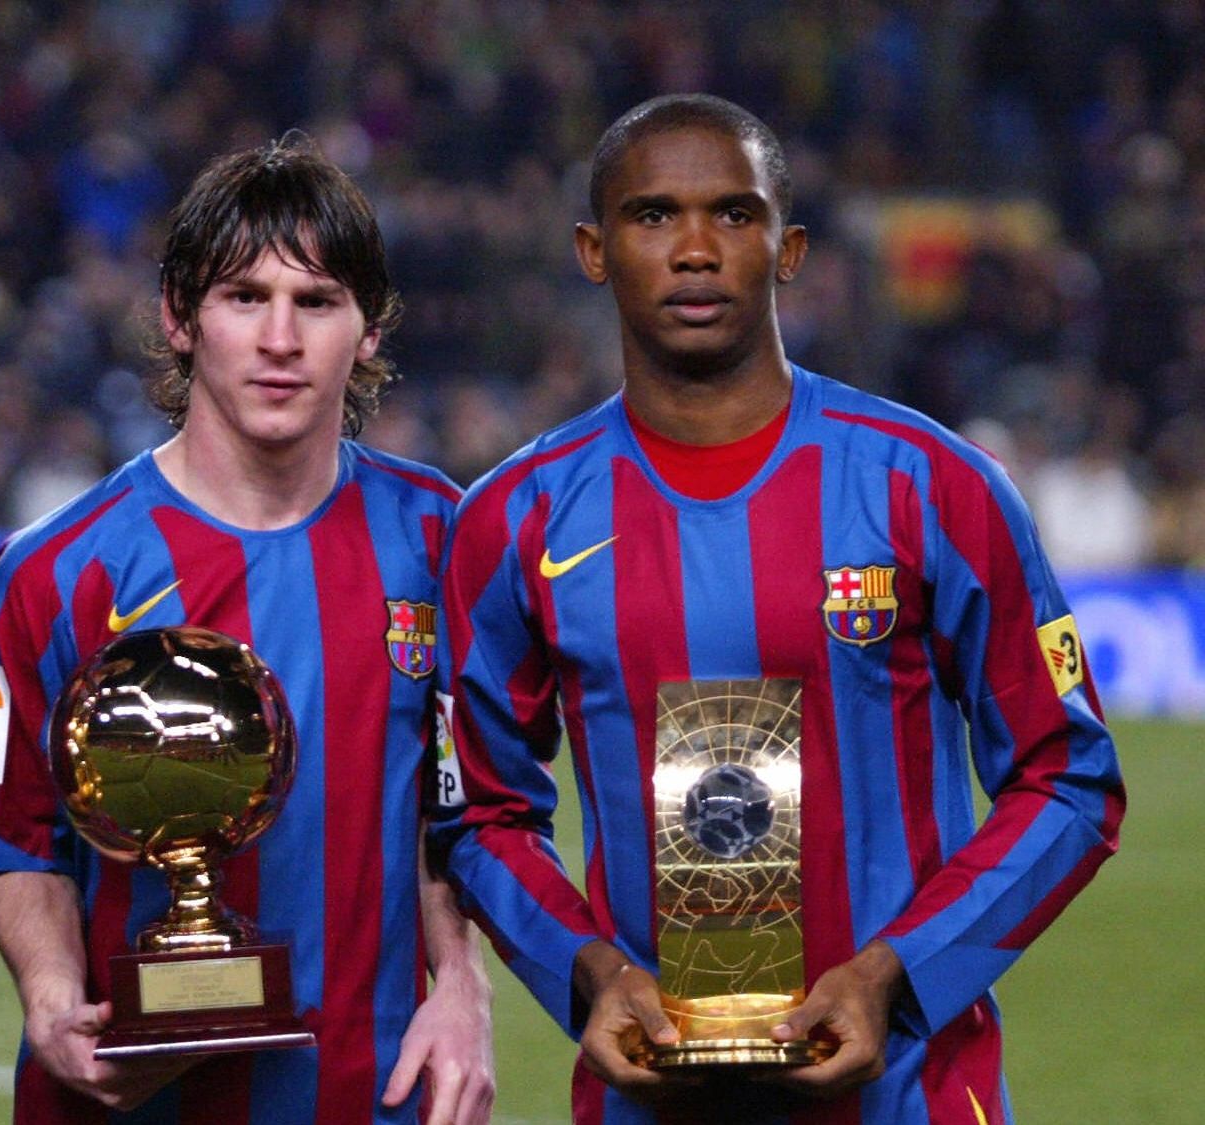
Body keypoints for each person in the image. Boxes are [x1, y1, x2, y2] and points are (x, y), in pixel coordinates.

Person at [433, 94, 1124, 1124]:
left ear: (789, 249)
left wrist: (898, 973)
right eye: (653, 215)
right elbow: (480, 810)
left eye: (735, 213)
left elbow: (1068, 777)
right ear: (592, 250)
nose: (695, 249)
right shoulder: (515, 518)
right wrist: (587, 971)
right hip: (648, 1095)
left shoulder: (931, 485)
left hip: (909, 1094)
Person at [0, 134, 495, 1124]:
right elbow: (16, 835)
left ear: (368, 330)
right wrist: (50, 998)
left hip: (373, 1092)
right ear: (178, 316)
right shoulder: (54, 572)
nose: (279, 339)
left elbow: (457, 808)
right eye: (244, 297)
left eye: (316, 302)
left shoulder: (442, 541)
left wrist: (463, 987)